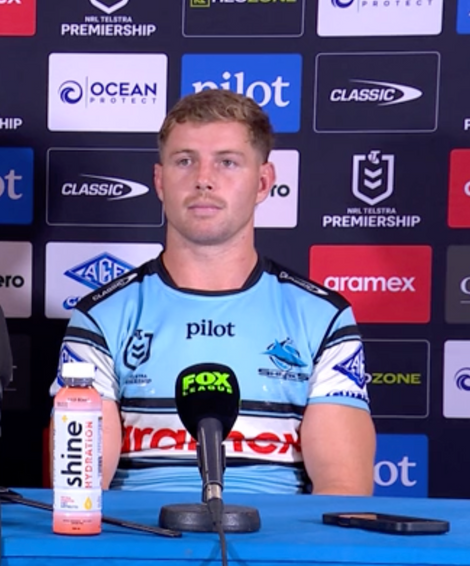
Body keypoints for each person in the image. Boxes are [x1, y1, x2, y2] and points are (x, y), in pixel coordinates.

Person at [52, 89, 376, 496]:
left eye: (227, 162)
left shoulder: (322, 317)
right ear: (159, 180)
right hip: (142, 545)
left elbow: (342, 493)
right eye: (185, 161)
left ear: (262, 183)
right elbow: (78, 491)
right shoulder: (101, 316)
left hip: (273, 550)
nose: (204, 179)